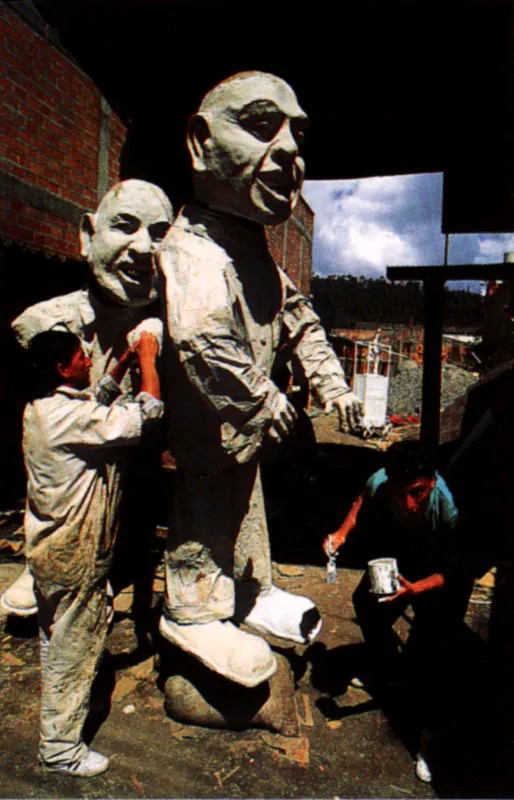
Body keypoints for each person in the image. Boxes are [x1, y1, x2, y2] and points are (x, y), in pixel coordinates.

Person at [157, 71, 363, 688]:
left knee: (247, 509)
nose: (292, 153)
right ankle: (190, 612)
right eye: (261, 126)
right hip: (206, 434)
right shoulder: (192, 250)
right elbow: (200, 336)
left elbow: (298, 317)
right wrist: (261, 398)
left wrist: (333, 384)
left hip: (240, 436)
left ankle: (248, 588)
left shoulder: (255, 255)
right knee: (205, 511)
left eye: (297, 135)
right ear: (200, 142)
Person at [0, 179, 174, 620]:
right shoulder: (45, 324)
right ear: (87, 235)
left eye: (158, 234)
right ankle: (44, 564)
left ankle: (114, 566)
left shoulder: (178, 326)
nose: (143, 248)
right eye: (125, 226)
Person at [24, 329, 163, 777]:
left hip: (50, 548)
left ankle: (55, 727)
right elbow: (147, 413)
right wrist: (147, 360)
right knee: (75, 648)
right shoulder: (70, 419)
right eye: (82, 357)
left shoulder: (42, 409)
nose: (89, 361)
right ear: (63, 369)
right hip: (76, 552)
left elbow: (96, 401)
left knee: (56, 641)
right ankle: (60, 750)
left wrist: (120, 362)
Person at [323, 439, 473, 784]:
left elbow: (460, 569)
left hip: (445, 572)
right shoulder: (381, 481)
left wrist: (414, 591)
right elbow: (363, 498)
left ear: (431, 482)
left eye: (418, 493)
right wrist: (342, 533)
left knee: (434, 653)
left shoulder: (448, 507)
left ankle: (430, 742)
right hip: (411, 554)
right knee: (367, 602)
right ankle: (388, 672)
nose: (410, 504)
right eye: (401, 492)